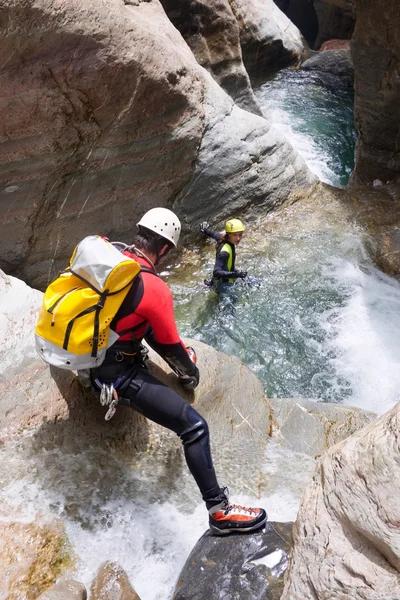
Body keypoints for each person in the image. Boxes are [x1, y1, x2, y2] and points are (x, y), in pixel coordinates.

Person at [90, 207, 267, 535]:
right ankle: (220, 512)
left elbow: (137, 323)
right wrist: (191, 373)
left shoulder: (111, 254)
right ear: (166, 249)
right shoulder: (153, 287)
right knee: (195, 427)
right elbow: (173, 349)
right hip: (116, 376)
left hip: (88, 356)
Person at [201, 219, 248, 292]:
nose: (238, 238)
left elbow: (213, 234)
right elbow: (216, 272)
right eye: (235, 235)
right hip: (223, 284)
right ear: (228, 234)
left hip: (227, 276)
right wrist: (236, 274)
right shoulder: (225, 252)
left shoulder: (223, 238)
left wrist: (205, 229)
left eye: (240, 234)